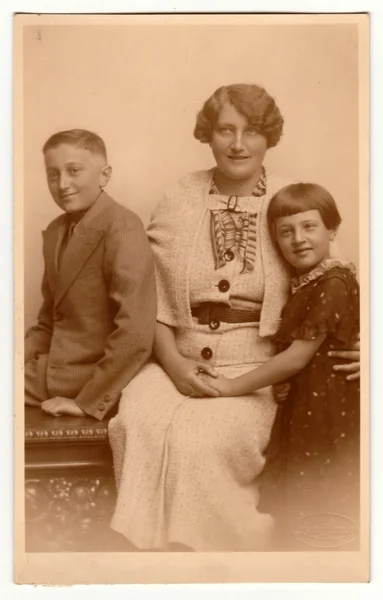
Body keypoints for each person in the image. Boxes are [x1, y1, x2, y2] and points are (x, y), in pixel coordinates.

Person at [108, 84, 360, 551]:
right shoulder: (179, 195)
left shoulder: (293, 198)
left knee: (199, 443)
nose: (238, 144)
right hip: (174, 356)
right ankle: (149, 564)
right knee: (135, 422)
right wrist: (176, 364)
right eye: (226, 129)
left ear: (269, 138)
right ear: (208, 134)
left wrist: (369, 344)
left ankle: (217, 564)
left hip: (255, 367)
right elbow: (151, 297)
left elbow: (337, 281)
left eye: (252, 131)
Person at [207, 183, 360, 549]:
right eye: (285, 232)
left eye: (310, 227)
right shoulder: (308, 282)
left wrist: (231, 385)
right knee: (300, 504)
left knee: (324, 497)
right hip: (308, 404)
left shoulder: (334, 282)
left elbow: (296, 357)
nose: (298, 239)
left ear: (333, 230)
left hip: (330, 411)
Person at [24, 129, 157, 420]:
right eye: (53, 174)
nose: (63, 184)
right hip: (53, 368)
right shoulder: (58, 230)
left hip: (93, 378)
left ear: (104, 175)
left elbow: (135, 333)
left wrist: (87, 402)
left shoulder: (123, 227)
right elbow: (49, 320)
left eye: (74, 171)